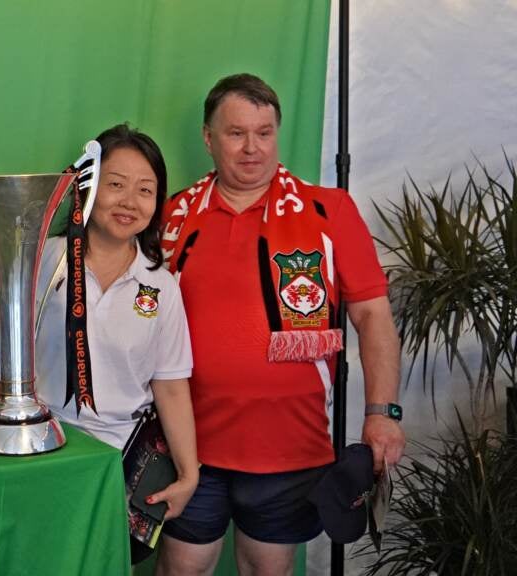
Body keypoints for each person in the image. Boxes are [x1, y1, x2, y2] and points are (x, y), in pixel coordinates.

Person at [156, 73, 406, 576]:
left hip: (290, 448)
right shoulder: (171, 216)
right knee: (181, 569)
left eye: (264, 132)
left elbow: (373, 313)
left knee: (267, 571)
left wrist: (382, 411)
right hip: (187, 446)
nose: (252, 148)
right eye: (236, 133)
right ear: (208, 137)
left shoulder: (328, 210)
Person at [0, 123, 199, 560]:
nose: (129, 201)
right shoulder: (42, 256)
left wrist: (188, 471)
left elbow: (172, 386)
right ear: (85, 190)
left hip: (116, 466)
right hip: (40, 451)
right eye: (115, 184)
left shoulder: (161, 285)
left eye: (145, 190)